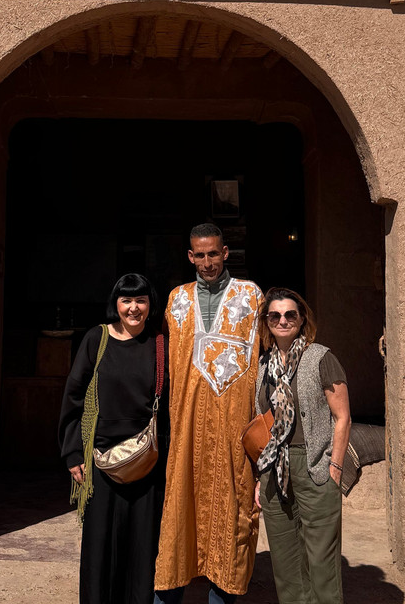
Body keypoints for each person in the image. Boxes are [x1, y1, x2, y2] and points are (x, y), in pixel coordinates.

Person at [155, 223, 264, 604]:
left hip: (233, 433)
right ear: (190, 256)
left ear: (225, 252)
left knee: (232, 515)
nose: (207, 262)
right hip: (186, 430)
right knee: (179, 515)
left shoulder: (250, 296)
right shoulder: (177, 300)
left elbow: (268, 353)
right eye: (199, 255)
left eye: (213, 253)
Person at [58, 273, 170, 604]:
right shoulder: (97, 339)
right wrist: (73, 452)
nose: (134, 308)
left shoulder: (160, 344)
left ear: (150, 304)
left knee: (142, 549)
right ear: (116, 304)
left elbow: (169, 406)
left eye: (141, 300)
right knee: (100, 547)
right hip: (100, 458)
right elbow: (74, 395)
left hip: (146, 460)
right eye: (126, 300)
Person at [253, 287, 351, 604]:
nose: (283, 321)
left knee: (322, 563)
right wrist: (260, 477)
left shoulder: (321, 358)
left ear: (302, 318)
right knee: (286, 564)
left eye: (290, 314)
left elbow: (343, 417)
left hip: (315, 465)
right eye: (275, 315)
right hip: (274, 470)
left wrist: (335, 466)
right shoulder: (263, 365)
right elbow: (261, 422)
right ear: (267, 321)